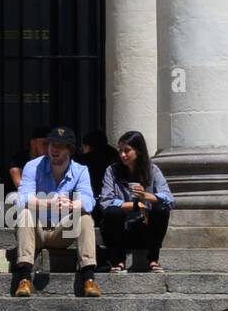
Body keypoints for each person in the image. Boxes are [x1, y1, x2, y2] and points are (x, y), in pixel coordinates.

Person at [11, 125, 101, 298]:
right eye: (52, 144)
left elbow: (89, 201)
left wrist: (73, 205)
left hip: (62, 232)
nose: (54, 149)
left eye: (60, 146)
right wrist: (48, 203)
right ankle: (24, 278)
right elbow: (22, 199)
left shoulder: (80, 171)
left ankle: (88, 278)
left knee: (84, 216)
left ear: (71, 150)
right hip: (36, 231)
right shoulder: (32, 166)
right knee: (24, 212)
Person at [98, 131, 174, 273]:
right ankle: (118, 260)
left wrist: (145, 196)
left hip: (144, 228)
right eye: (120, 151)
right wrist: (134, 205)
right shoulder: (112, 170)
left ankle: (153, 259)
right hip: (120, 229)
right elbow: (105, 201)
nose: (122, 155)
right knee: (113, 212)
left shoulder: (152, 170)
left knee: (161, 209)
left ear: (138, 151)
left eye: (127, 151)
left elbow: (169, 198)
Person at [79, 129, 119, 199]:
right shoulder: (115, 155)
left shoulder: (85, 160)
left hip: (93, 197)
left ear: (87, 146)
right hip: (114, 198)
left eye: (83, 148)